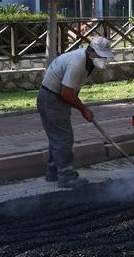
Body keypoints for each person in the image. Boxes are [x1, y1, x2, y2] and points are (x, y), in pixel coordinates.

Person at [38, 37, 114, 188]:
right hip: (52, 98)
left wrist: (80, 107)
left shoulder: (87, 61)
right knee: (63, 138)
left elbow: (70, 90)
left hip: (56, 97)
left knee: (58, 137)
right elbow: (66, 92)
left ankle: (53, 172)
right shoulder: (77, 62)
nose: (104, 58)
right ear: (92, 51)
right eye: (101, 55)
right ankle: (66, 176)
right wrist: (83, 109)